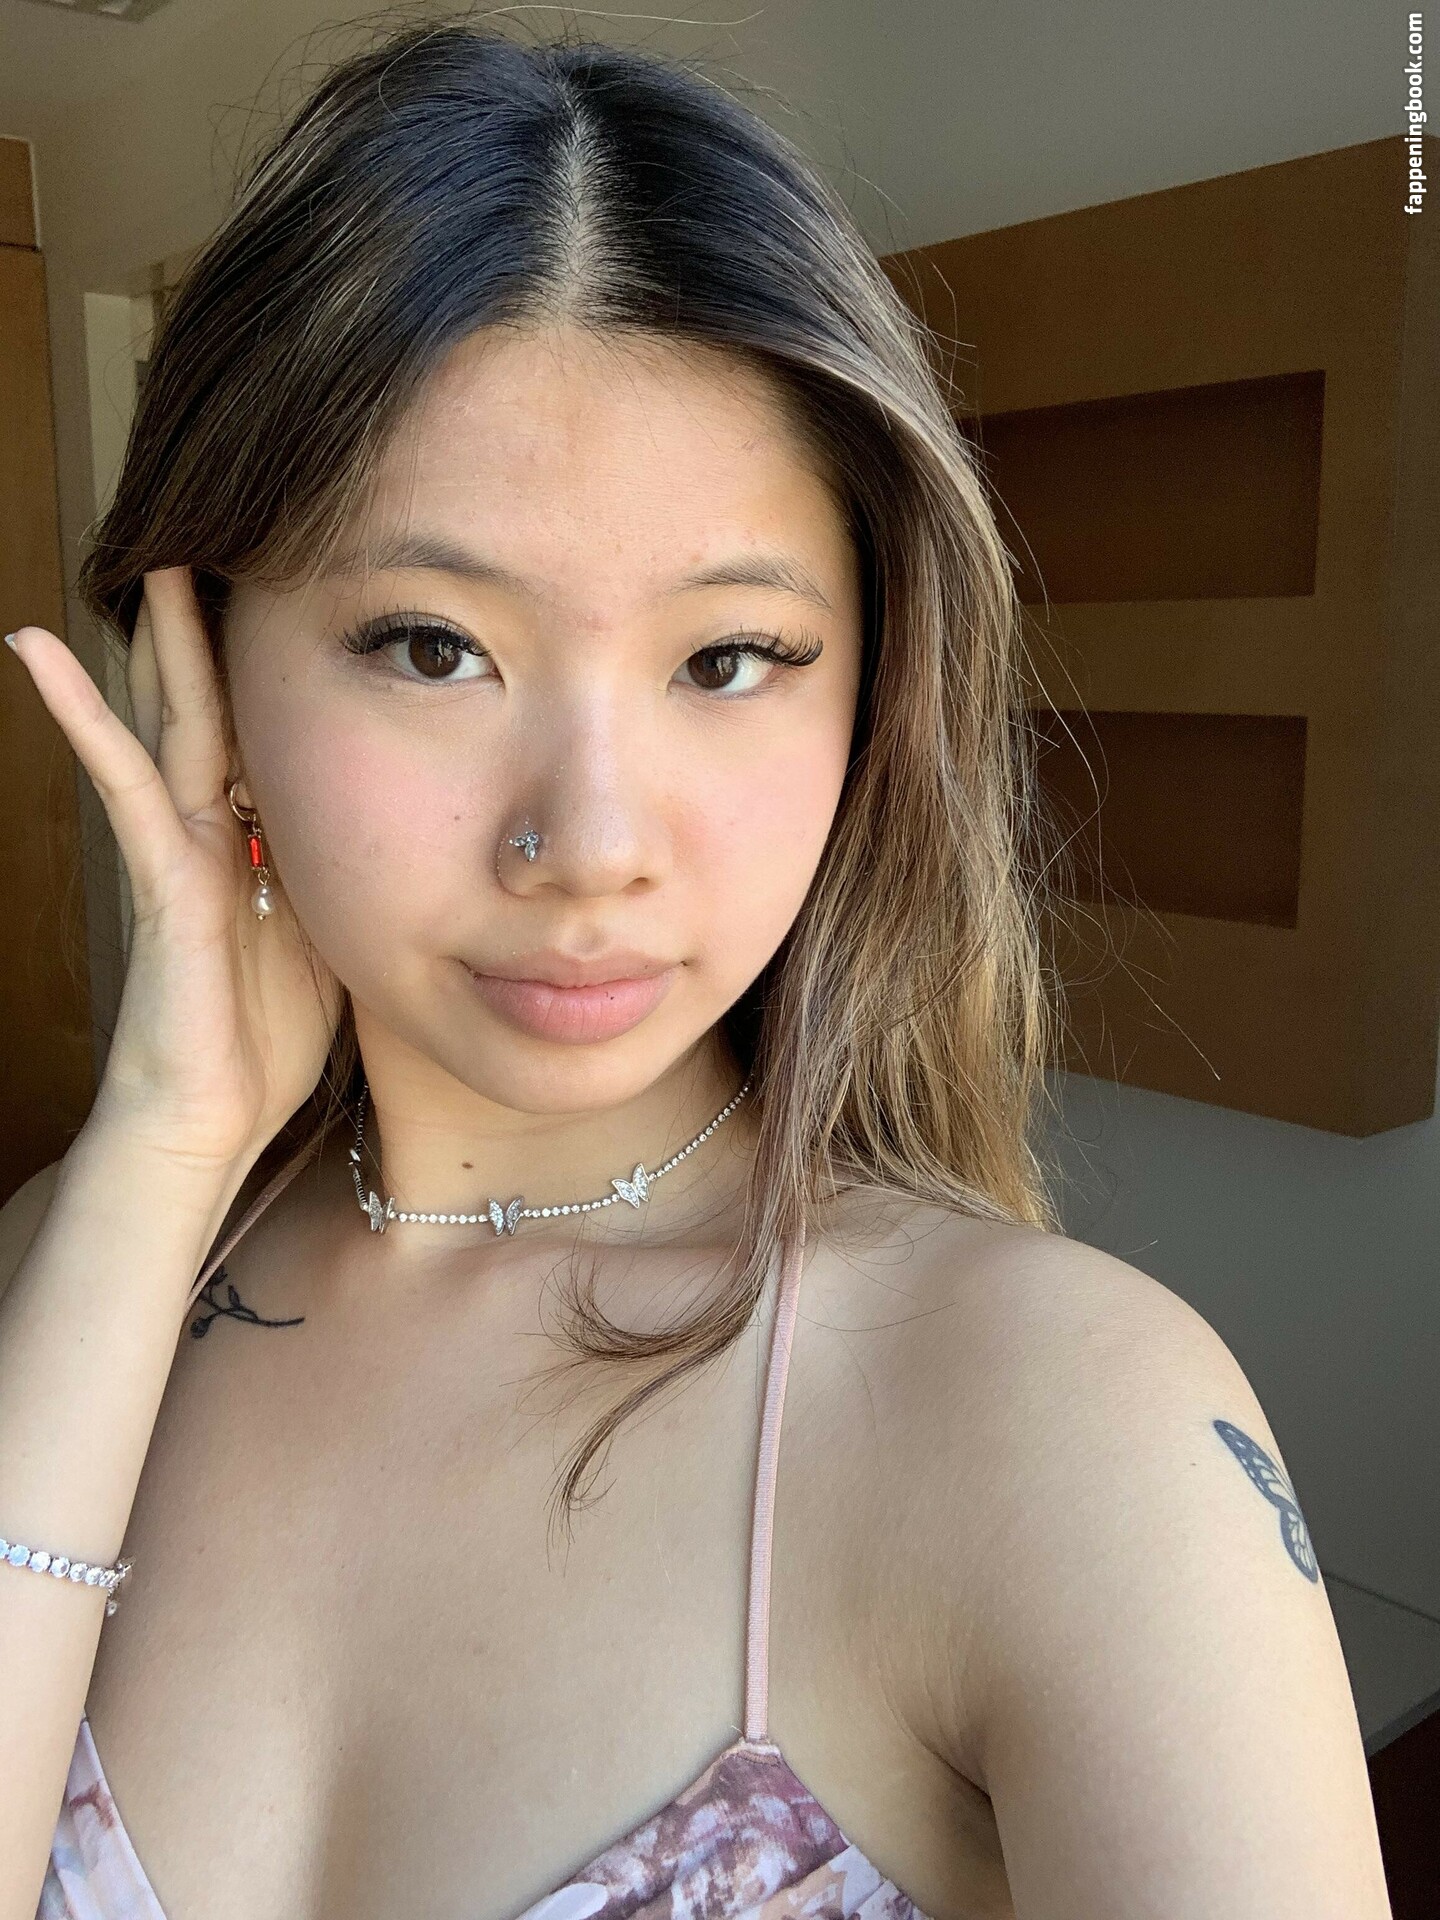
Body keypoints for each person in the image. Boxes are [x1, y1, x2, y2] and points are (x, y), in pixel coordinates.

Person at [0, 18, 1390, 1920]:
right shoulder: (69, 1274)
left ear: (871, 695)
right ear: (207, 670)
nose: (590, 843)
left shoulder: (1063, 1427)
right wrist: (161, 1151)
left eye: (728, 659)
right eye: (429, 644)